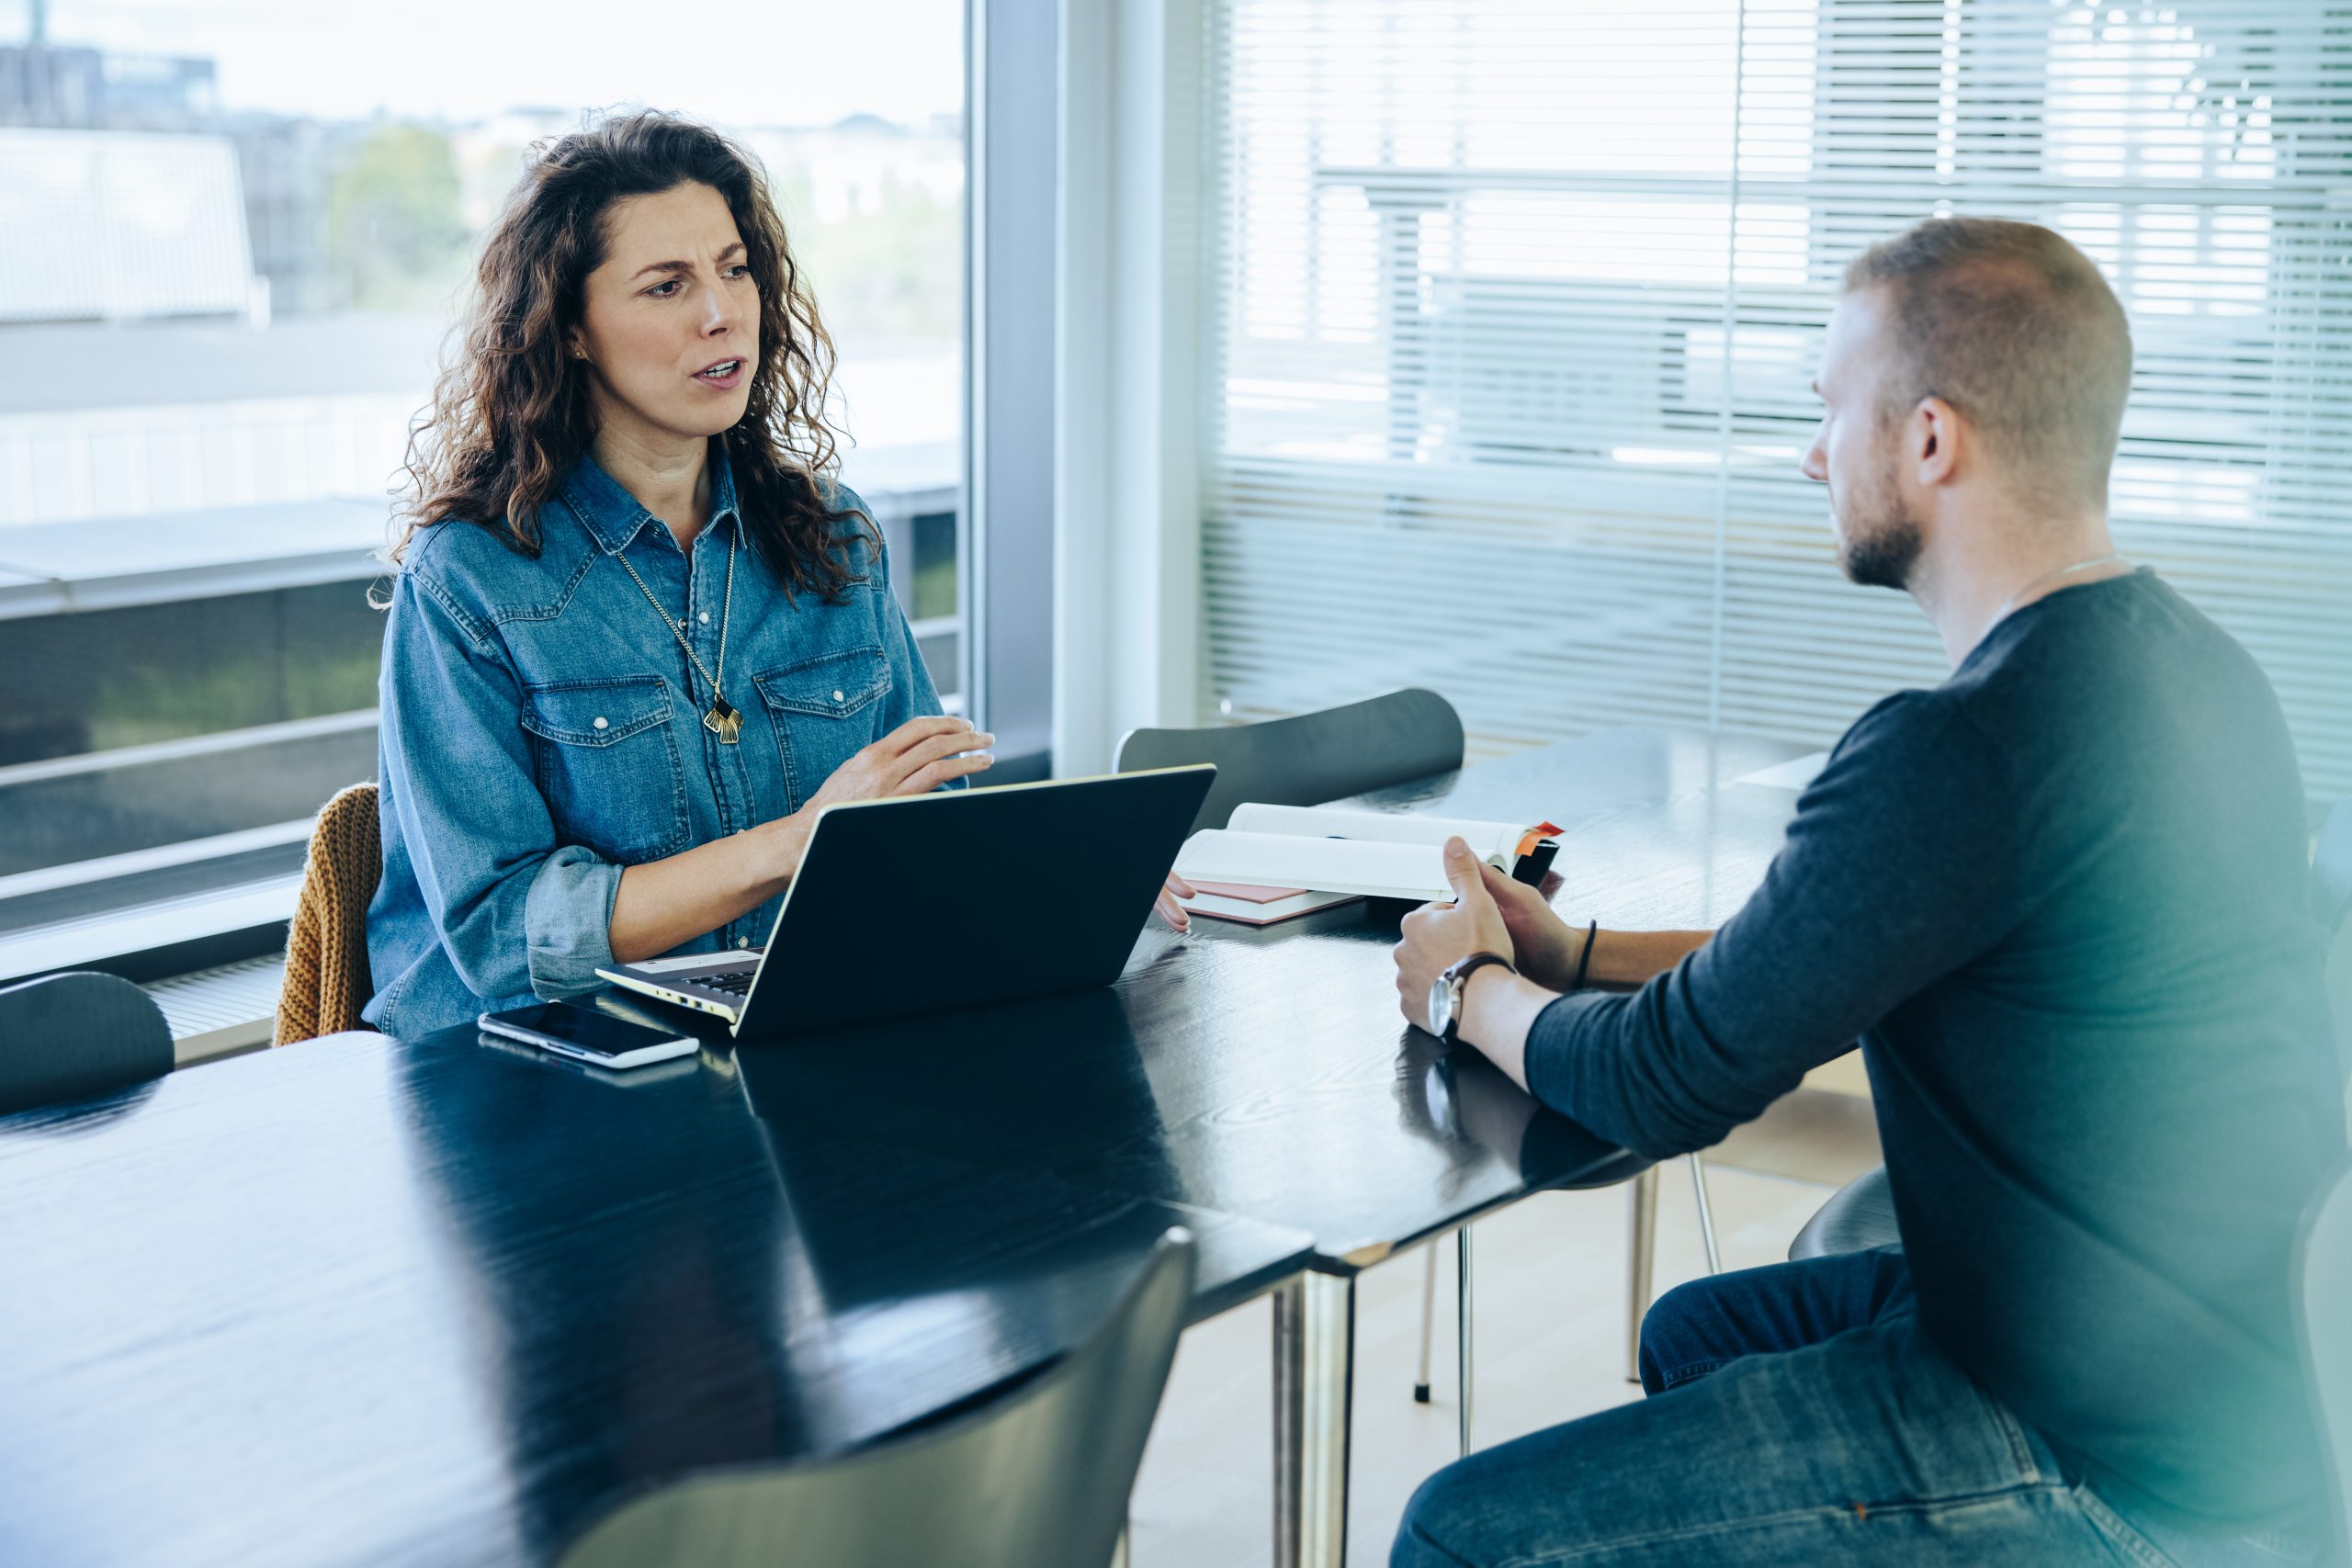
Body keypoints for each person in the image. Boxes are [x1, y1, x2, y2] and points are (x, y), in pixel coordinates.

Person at [1389, 218, 2343, 1566]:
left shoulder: (1968, 742)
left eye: (1831, 408)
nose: (1810, 452)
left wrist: (1464, 989)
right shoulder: (2188, 670)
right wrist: (1580, 946)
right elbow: (1847, 949)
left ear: (1933, 439)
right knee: (1694, 1331)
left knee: (1459, 1529)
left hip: (2103, 1451)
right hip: (2226, 1373)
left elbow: (1663, 1083)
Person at [367, 112, 1191, 1039]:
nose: (721, 311)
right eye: (666, 285)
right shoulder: (470, 577)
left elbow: (916, 813)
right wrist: (800, 846)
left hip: (776, 1033)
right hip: (525, 1070)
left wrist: (1060, 871)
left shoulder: (832, 534)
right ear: (571, 331)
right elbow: (502, 941)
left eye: (733, 267)